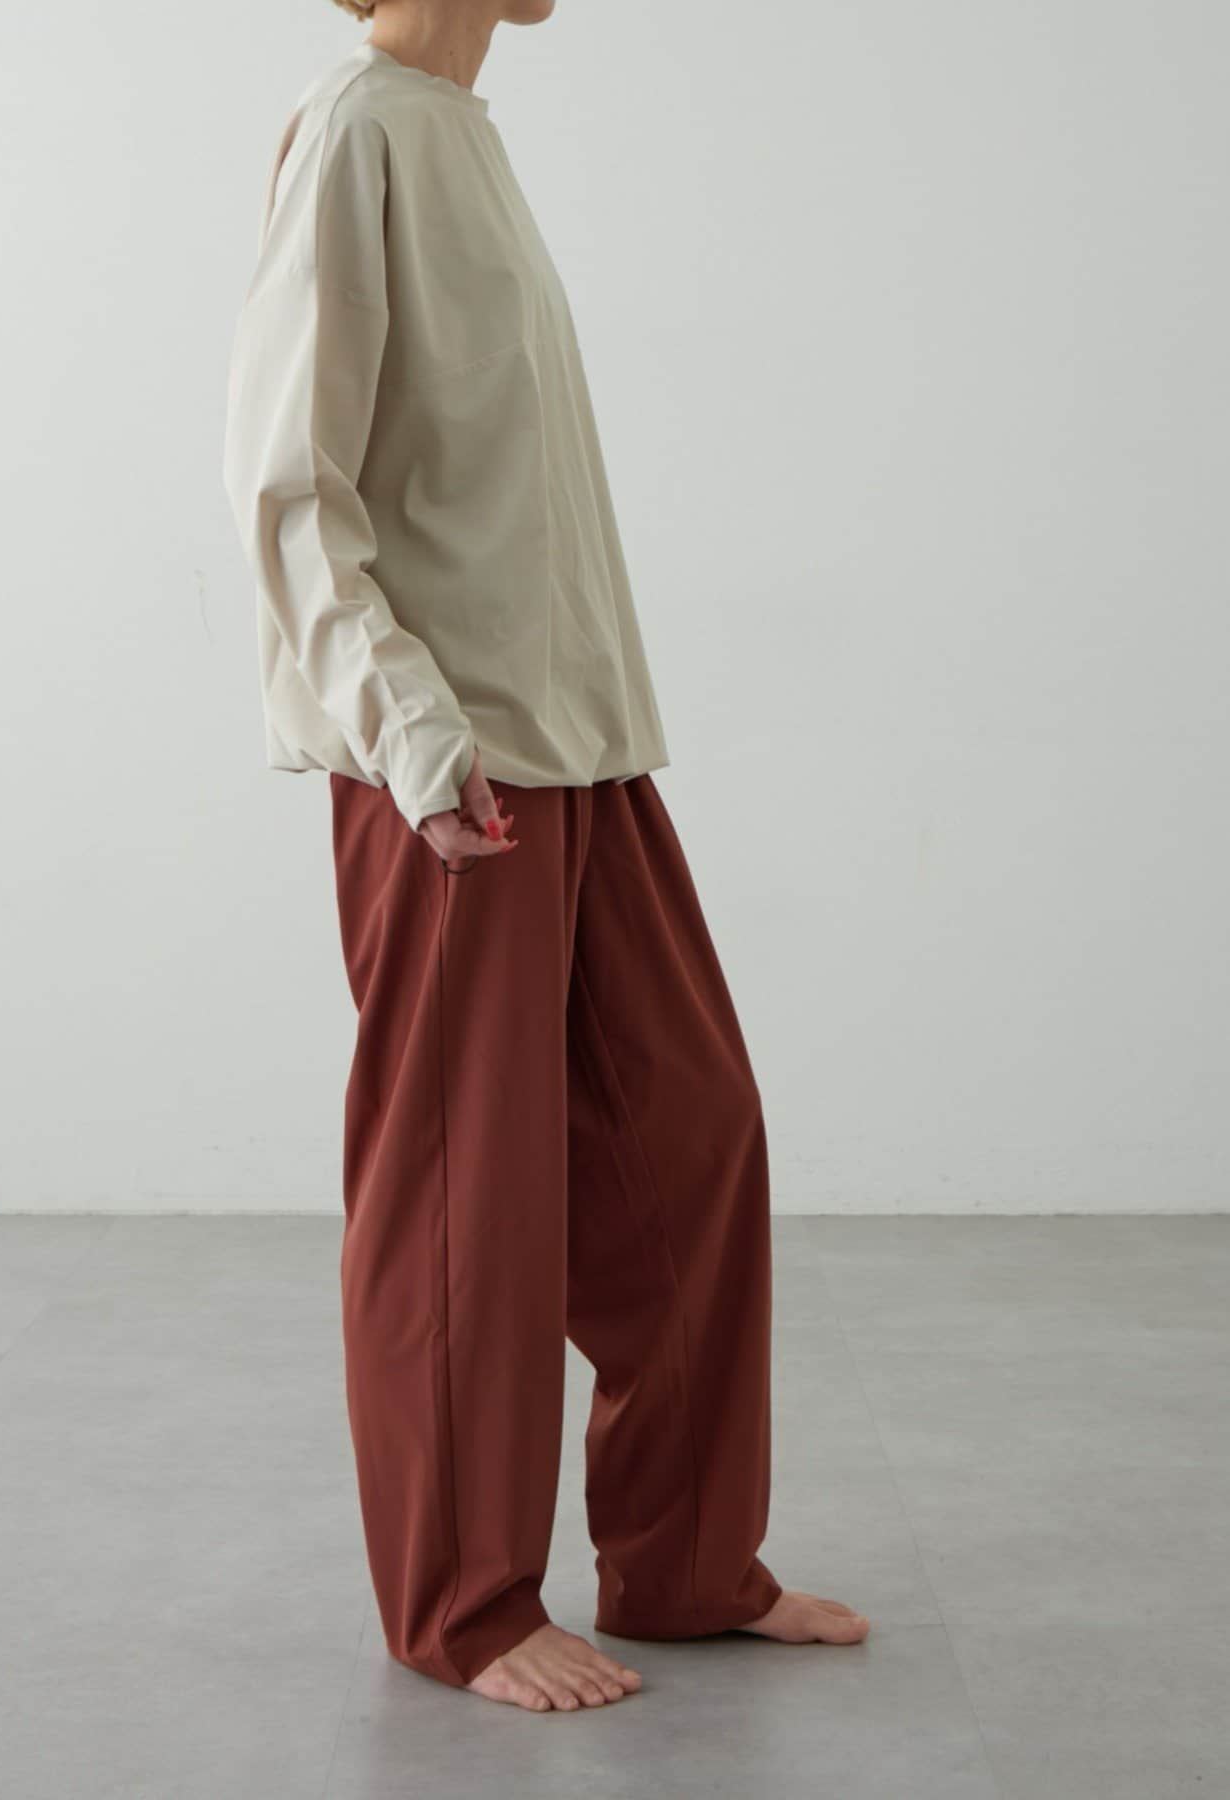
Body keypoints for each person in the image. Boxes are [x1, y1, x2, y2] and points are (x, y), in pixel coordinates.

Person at [223, 0, 870, 1715]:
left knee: (689, 1136)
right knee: (467, 1193)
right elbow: (292, 487)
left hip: (577, 741)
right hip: (453, 760)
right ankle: (464, 1605)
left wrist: (587, 727)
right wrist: (411, 735)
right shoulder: (357, 127)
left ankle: (685, 1562)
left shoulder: (461, 135)